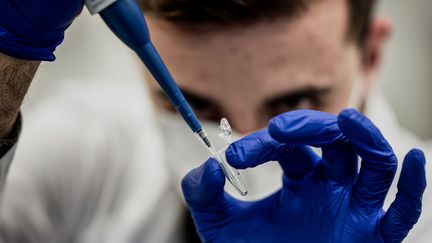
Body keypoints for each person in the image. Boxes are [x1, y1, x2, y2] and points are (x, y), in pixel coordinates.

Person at [0, 0, 429, 243]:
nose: (240, 145)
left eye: (296, 101)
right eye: (193, 104)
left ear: (370, 57)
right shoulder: (81, 146)